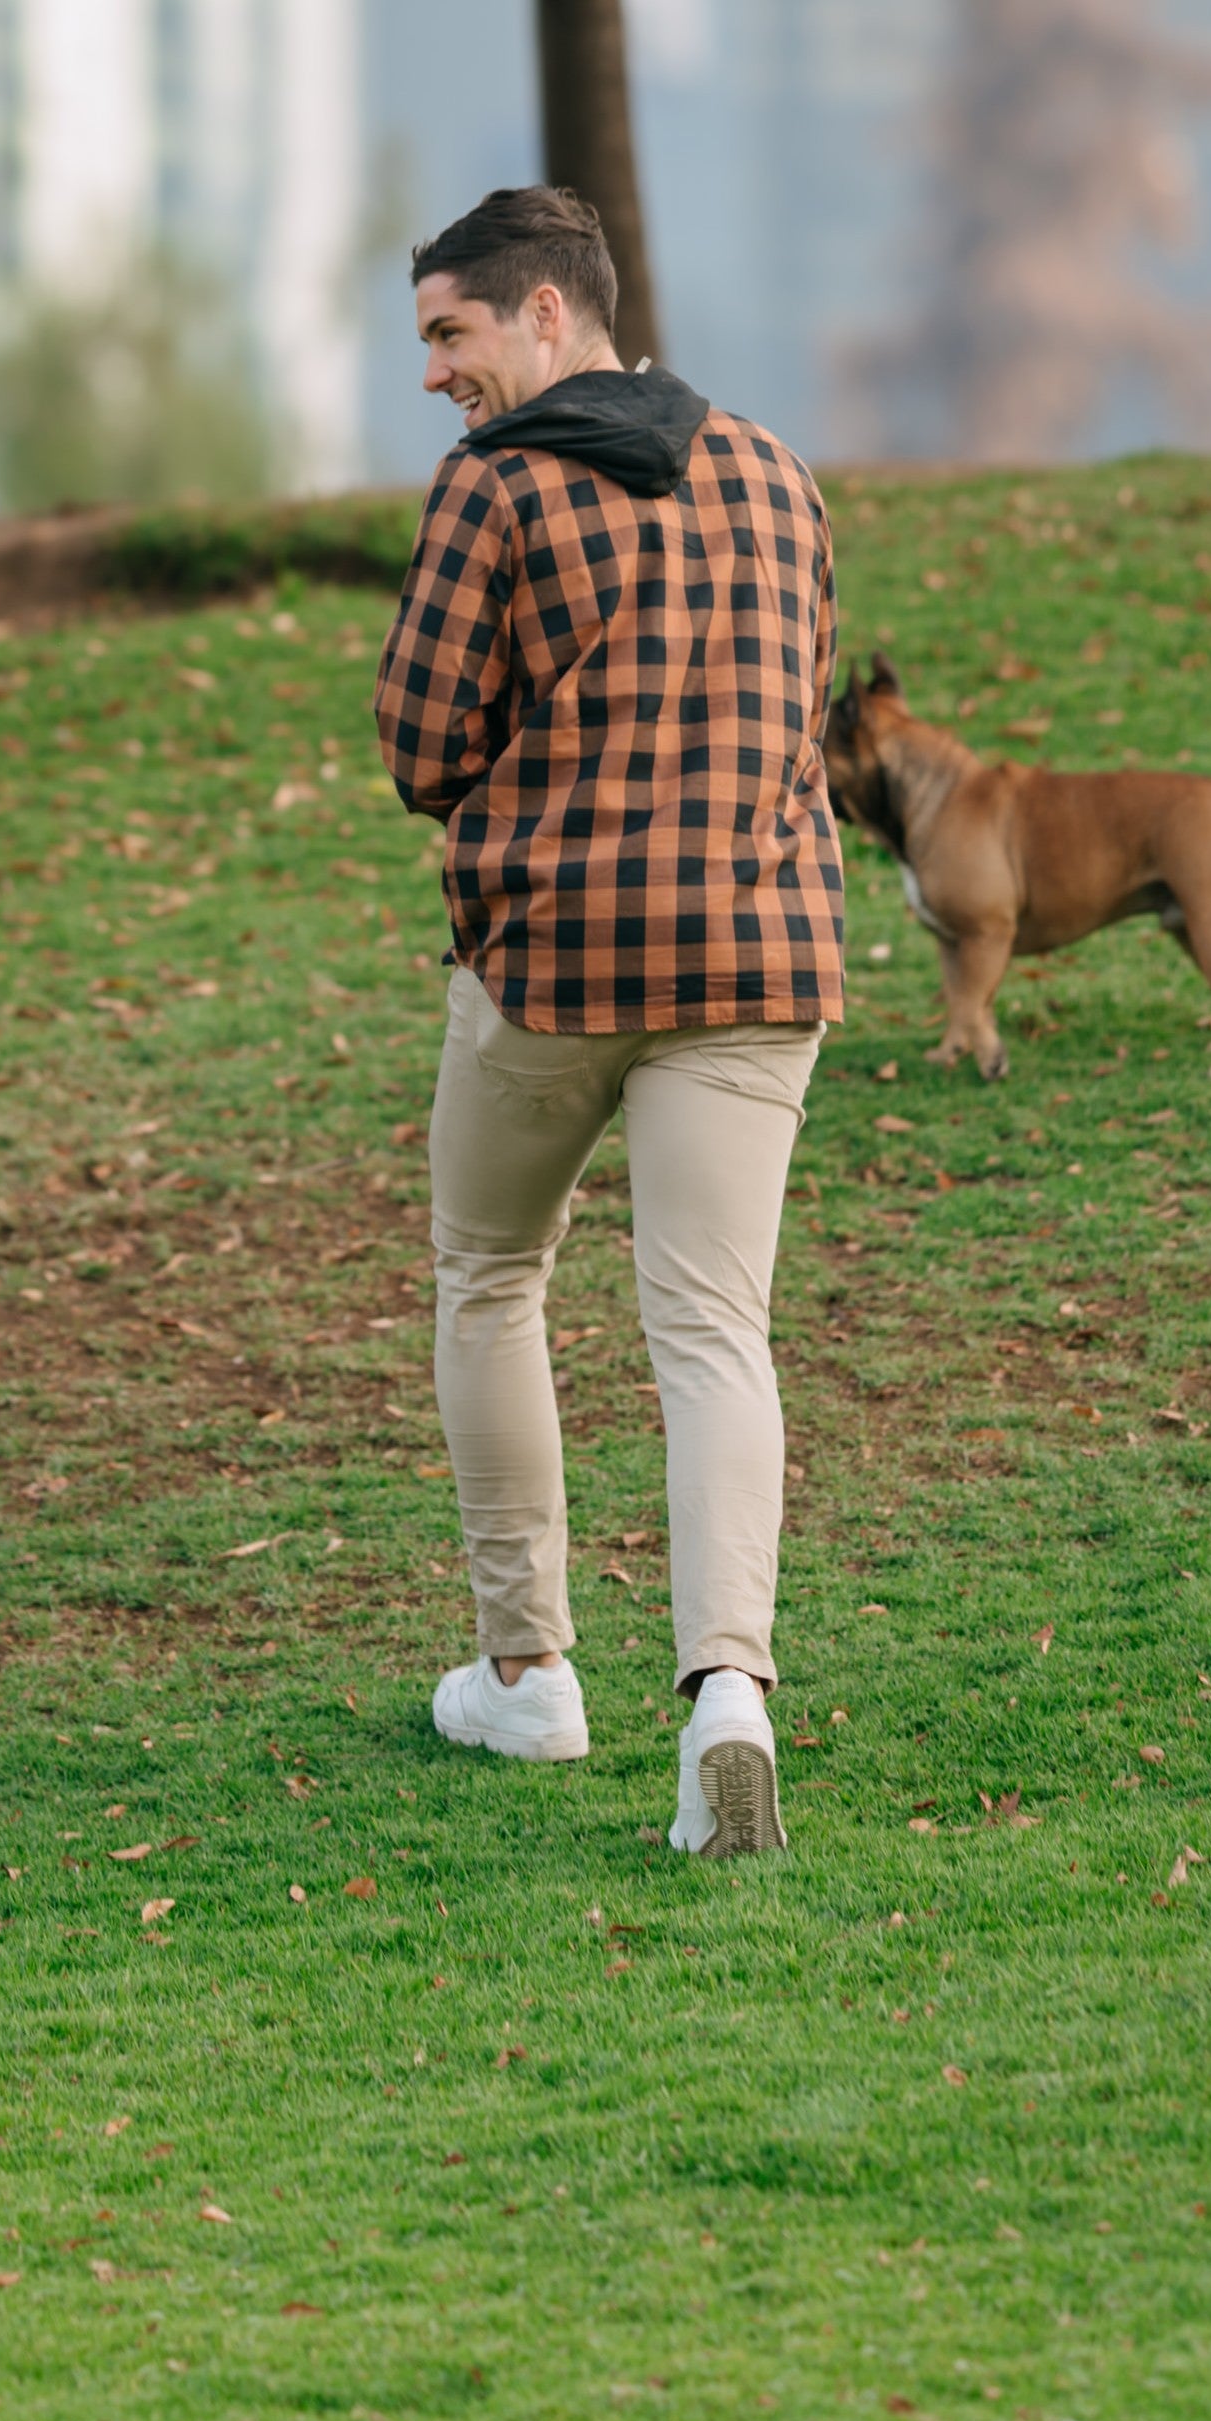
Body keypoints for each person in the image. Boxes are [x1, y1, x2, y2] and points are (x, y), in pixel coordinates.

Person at [373, 186, 845, 1855]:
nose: (434, 372)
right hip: (759, 959)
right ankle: (729, 1697)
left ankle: (528, 1671)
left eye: (451, 332)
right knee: (714, 1330)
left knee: (491, 1271)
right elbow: (801, 711)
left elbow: (421, 748)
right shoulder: (777, 471)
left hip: (557, 964)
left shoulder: (493, 488)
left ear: (547, 315)